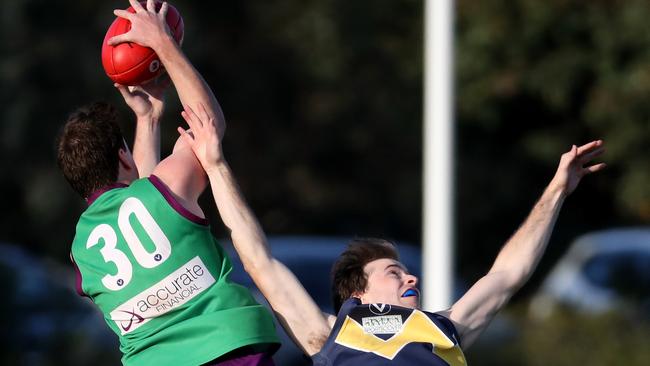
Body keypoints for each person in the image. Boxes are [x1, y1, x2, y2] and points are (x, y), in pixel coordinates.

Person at [183, 92, 606, 366]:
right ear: (358, 295)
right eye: (394, 273)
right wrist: (216, 165)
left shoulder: (446, 329)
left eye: (405, 271)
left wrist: (556, 191)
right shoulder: (328, 333)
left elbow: (507, 274)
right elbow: (261, 261)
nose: (411, 277)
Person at [56, 1, 279, 365]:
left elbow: (141, 204)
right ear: (124, 159)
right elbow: (207, 129)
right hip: (227, 348)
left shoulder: (81, 254)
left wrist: (149, 120)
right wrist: (165, 46)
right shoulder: (164, 192)